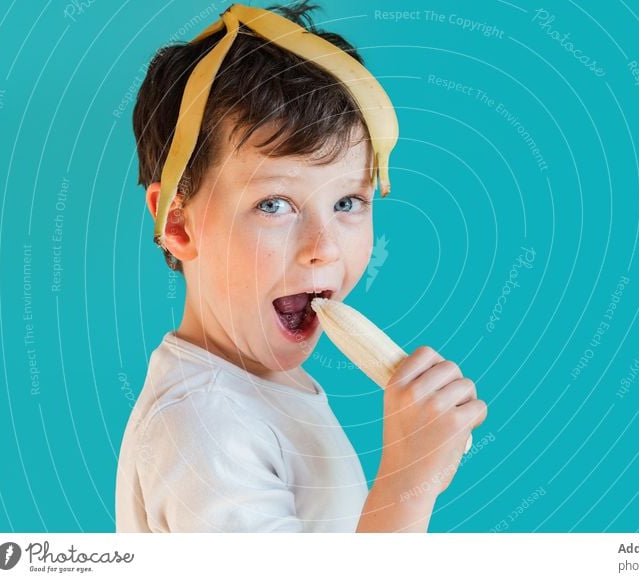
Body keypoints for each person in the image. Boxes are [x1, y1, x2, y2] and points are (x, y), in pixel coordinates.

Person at [115, 0, 487, 533]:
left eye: (347, 203)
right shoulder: (203, 425)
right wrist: (409, 479)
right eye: (274, 205)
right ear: (179, 224)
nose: (324, 248)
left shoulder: (267, 388)